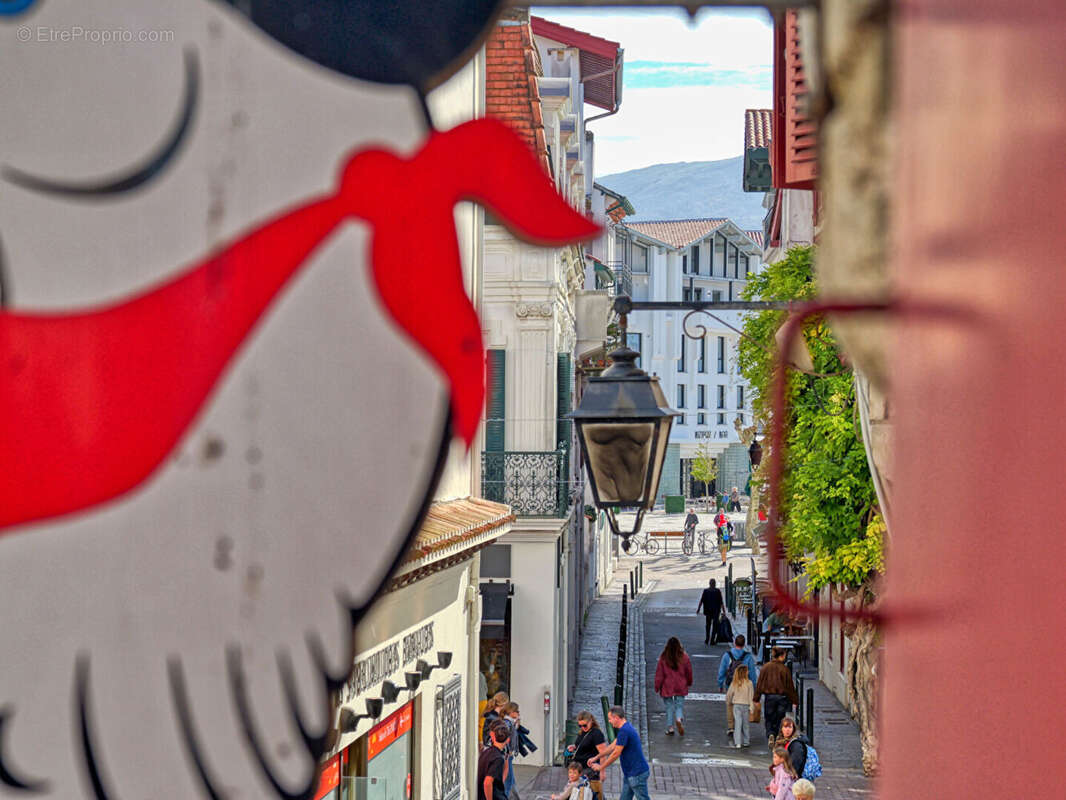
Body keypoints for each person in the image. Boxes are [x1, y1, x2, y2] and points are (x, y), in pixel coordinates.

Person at [587, 707, 649, 800]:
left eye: (610, 719)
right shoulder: (625, 728)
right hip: (631, 774)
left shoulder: (624, 731)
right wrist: (596, 757)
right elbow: (612, 746)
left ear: (616, 717)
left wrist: (601, 767)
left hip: (636, 774)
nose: (609, 721)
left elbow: (616, 753)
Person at [754, 647, 799, 746]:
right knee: (780, 718)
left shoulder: (766, 667)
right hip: (782, 698)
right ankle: (778, 736)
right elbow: (790, 687)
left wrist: (756, 698)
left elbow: (760, 684)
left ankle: (770, 734)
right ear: (782, 656)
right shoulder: (784, 669)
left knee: (769, 718)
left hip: (769, 697)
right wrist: (794, 700)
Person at [718, 634, 758, 739]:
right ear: (744, 644)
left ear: (735, 643)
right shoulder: (748, 657)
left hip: (731, 683)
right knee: (742, 706)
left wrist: (720, 683)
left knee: (730, 704)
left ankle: (731, 726)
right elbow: (752, 673)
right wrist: (753, 686)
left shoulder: (727, 655)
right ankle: (741, 726)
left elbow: (722, 670)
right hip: (744, 684)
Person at [654, 636, 693, 735]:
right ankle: (679, 719)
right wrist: (689, 682)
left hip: (667, 686)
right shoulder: (684, 657)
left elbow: (659, 674)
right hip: (680, 684)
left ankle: (670, 727)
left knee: (669, 707)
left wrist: (657, 686)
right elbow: (688, 672)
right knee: (679, 705)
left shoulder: (663, 658)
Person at [566, 711, 606, 799]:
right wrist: (574, 747)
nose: (583, 727)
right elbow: (581, 744)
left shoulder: (596, 734)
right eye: (580, 725)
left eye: (585, 725)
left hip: (589, 770)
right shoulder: (582, 732)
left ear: (591, 721)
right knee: (582, 793)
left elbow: (603, 753)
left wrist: (602, 771)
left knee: (590, 794)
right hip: (579, 768)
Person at [478, 720, 511, 800]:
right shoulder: (498, 758)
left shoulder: (486, 752)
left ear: (493, 736)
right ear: (508, 740)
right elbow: (487, 782)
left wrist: (500, 783)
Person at [725, 664, 754, 748]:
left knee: (738, 723)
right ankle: (746, 741)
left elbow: (729, 694)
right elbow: (751, 696)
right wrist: (751, 708)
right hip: (746, 705)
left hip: (736, 705)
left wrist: (729, 702)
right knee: (745, 724)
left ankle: (738, 742)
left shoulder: (735, 683)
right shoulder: (749, 683)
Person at [773, 715, 808, 780]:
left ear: (793, 729)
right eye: (785, 727)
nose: (787, 730)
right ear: (781, 729)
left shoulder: (796, 744)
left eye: (790, 727)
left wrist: (789, 775)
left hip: (792, 778)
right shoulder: (781, 741)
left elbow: (795, 763)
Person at [696, 578, 725, 645]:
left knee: (708, 625)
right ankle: (712, 640)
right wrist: (724, 611)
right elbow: (721, 602)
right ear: (715, 584)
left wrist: (698, 609)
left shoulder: (706, 591)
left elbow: (702, 600)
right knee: (715, 626)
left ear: (709, 584)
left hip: (708, 611)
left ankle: (707, 638)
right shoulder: (717, 591)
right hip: (716, 611)